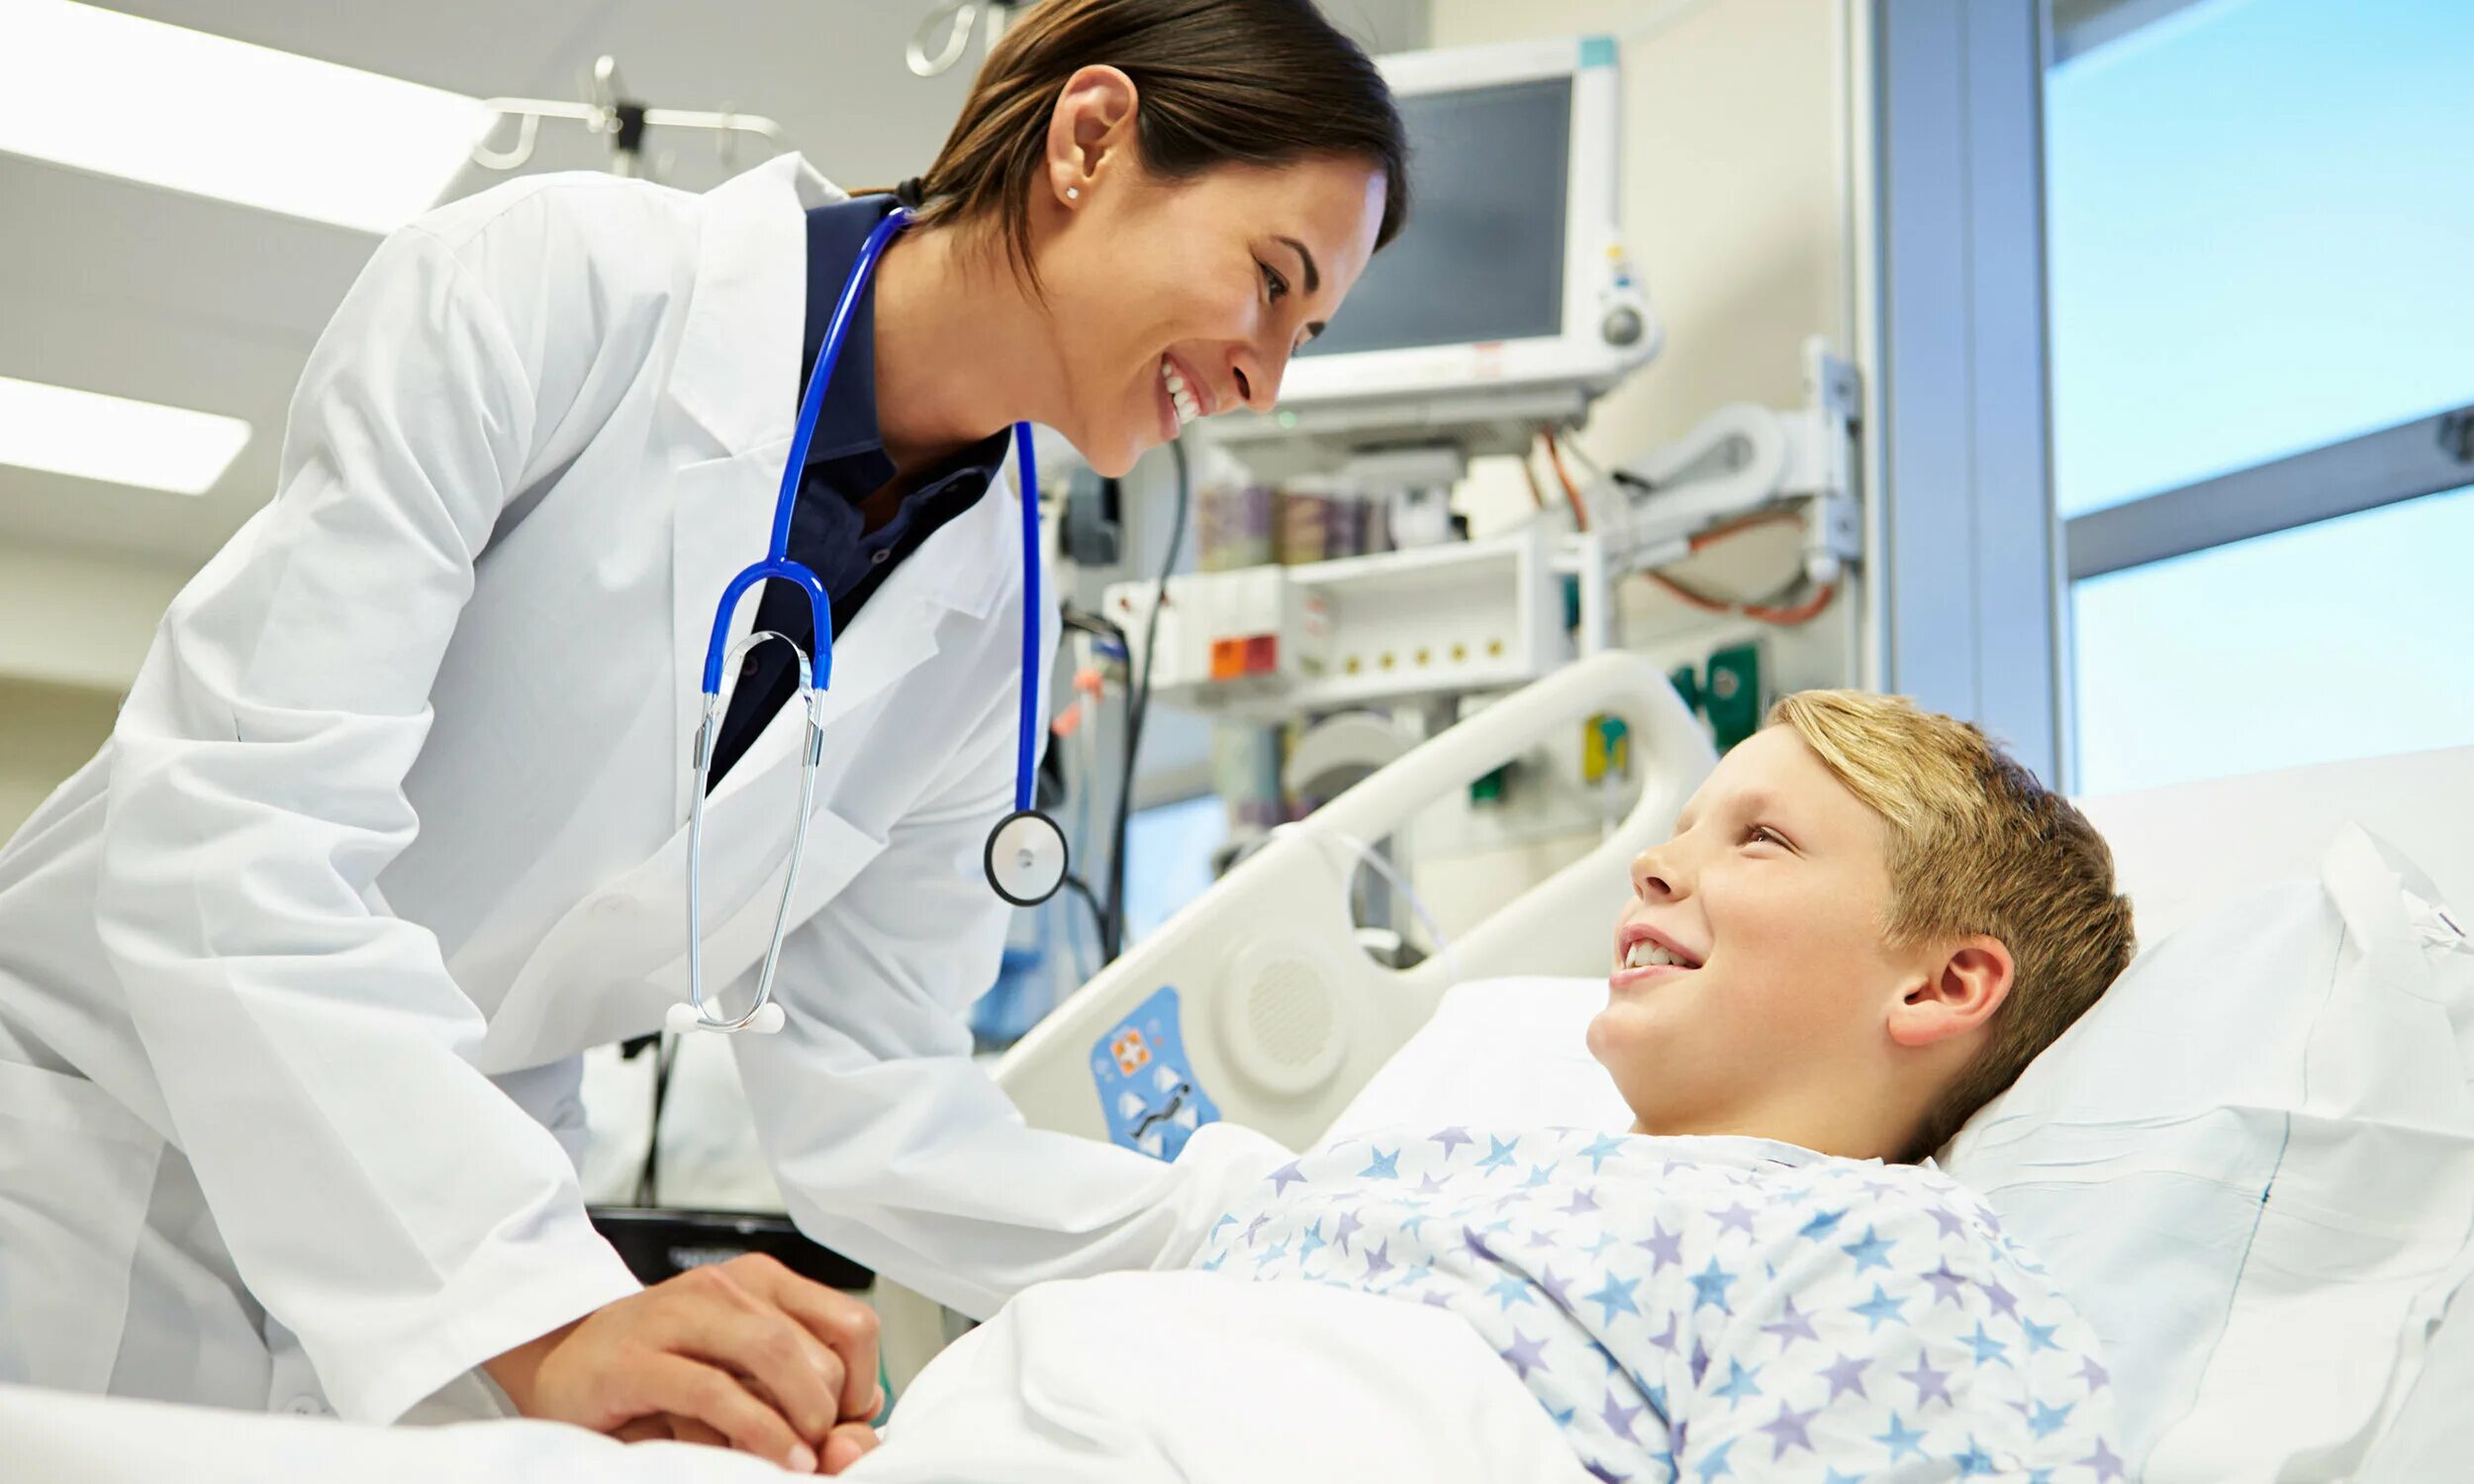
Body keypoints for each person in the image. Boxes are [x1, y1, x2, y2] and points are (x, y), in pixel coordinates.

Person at [0, 0, 1401, 1471]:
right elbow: (229, 842)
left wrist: (1249, 1231)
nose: (1264, 377)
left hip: (459, 1226)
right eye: (1270, 281)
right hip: (95, 1142)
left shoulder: (992, 624)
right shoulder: (553, 290)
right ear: (1092, 139)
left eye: (1303, 336)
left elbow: (875, 1097)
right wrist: (541, 1315)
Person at [850, 691, 2142, 1480]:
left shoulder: (1890, 1255)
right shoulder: (1443, 1162)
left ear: (1940, 986)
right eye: (1676, 824)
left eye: (1759, 837)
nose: (1652, 865)